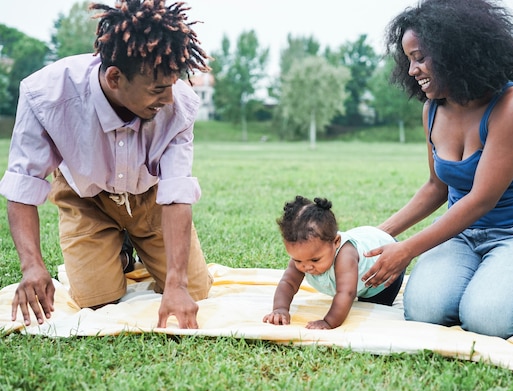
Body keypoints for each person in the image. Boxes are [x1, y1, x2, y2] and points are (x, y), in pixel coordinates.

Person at [0, 0, 213, 329]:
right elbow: (23, 185)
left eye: (172, 85)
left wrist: (177, 285)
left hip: (150, 197)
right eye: (158, 89)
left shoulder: (179, 105)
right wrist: (32, 267)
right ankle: (122, 253)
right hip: (86, 198)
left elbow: (176, 193)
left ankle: (138, 246)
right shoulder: (46, 95)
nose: (169, 98)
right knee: (96, 301)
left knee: (196, 291)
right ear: (115, 77)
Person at [361, 0, 513, 339]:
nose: (412, 71)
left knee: (488, 320)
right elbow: (436, 187)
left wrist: (407, 250)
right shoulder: (433, 109)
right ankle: (487, 278)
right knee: (424, 310)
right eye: (409, 60)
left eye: (420, 57)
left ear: (456, 51)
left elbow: (481, 199)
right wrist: (372, 239)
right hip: (461, 236)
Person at [263, 196, 405, 330]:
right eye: (298, 260)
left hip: (385, 268)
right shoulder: (306, 253)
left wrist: (329, 322)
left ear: (336, 242)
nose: (306, 266)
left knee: (373, 310)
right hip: (365, 256)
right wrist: (279, 309)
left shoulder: (345, 255)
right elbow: (288, 283)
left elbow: (347, 292)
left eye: (315, 260)